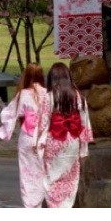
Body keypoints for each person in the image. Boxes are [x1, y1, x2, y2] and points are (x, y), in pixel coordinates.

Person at [37, 61, 93, 208]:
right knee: (70, 177)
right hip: (72, 142)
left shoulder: (48, 97)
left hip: (54, 141)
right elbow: (84, 122)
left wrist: (39, 144)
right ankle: (66, 206)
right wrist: (84, 149)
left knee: (52, 177)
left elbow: (43, 123)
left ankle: (54, 206)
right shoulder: (78, 97)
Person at [0, 62, 47, 208]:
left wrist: (3, 130)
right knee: (41, 171)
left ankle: (30, 205)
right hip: (43, 137)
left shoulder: (22, 94)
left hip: (27, 137)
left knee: (27, 172)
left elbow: (8, 113)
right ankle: (39, 202)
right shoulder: (48, 95)